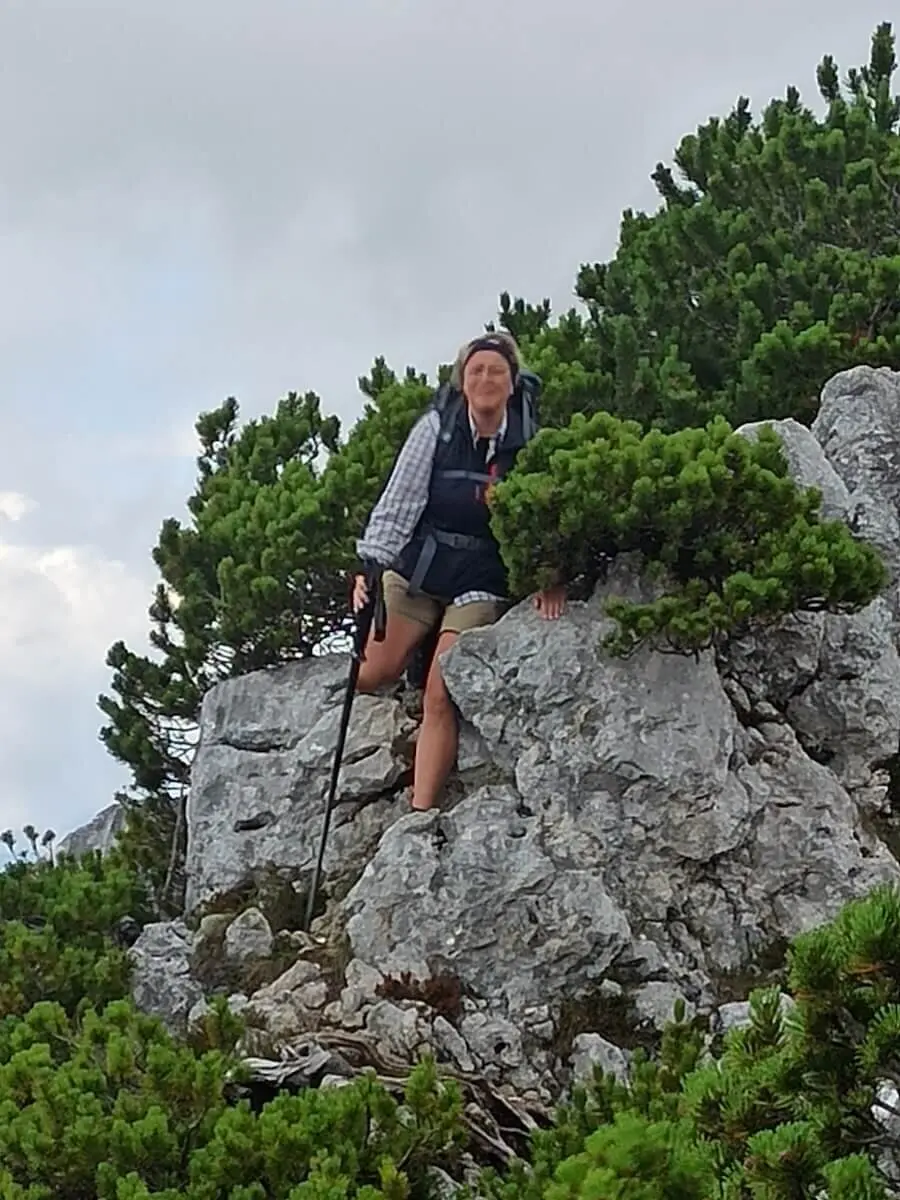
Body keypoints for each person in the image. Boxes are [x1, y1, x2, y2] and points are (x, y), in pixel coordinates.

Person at [350, 330, 566, 812]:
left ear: (512, 383)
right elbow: (399, 503)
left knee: (441, 689)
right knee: (370, 673)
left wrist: (550, 575)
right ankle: (405, 652)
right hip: (421, 567)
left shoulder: (530, 441)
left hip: (481, 579)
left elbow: (547, 514)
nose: (485, 379)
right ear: (463, 381)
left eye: (496, 371)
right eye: (476, 371)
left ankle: (419, 813)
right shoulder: (437, 430)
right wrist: (370, 567)